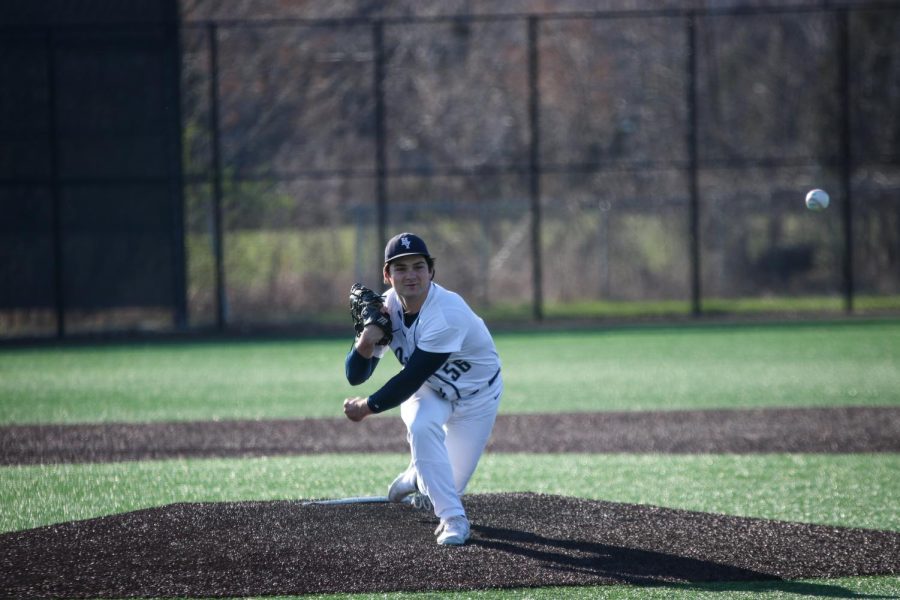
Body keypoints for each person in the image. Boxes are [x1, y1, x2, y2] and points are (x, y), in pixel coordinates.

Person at [343, 232, 503, 546]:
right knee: (421, 423)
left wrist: (366, 408)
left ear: (431, 271)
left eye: (418, 266)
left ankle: (418, 476)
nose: (411, 275)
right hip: (430, 391)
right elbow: (355, 375)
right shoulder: (386, 308)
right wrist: (365, 340)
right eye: (400, 268)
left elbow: (410, 378)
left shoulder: (446, 313)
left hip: (477, 398)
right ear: (387, 275)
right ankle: (454, 520)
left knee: (441, 488)